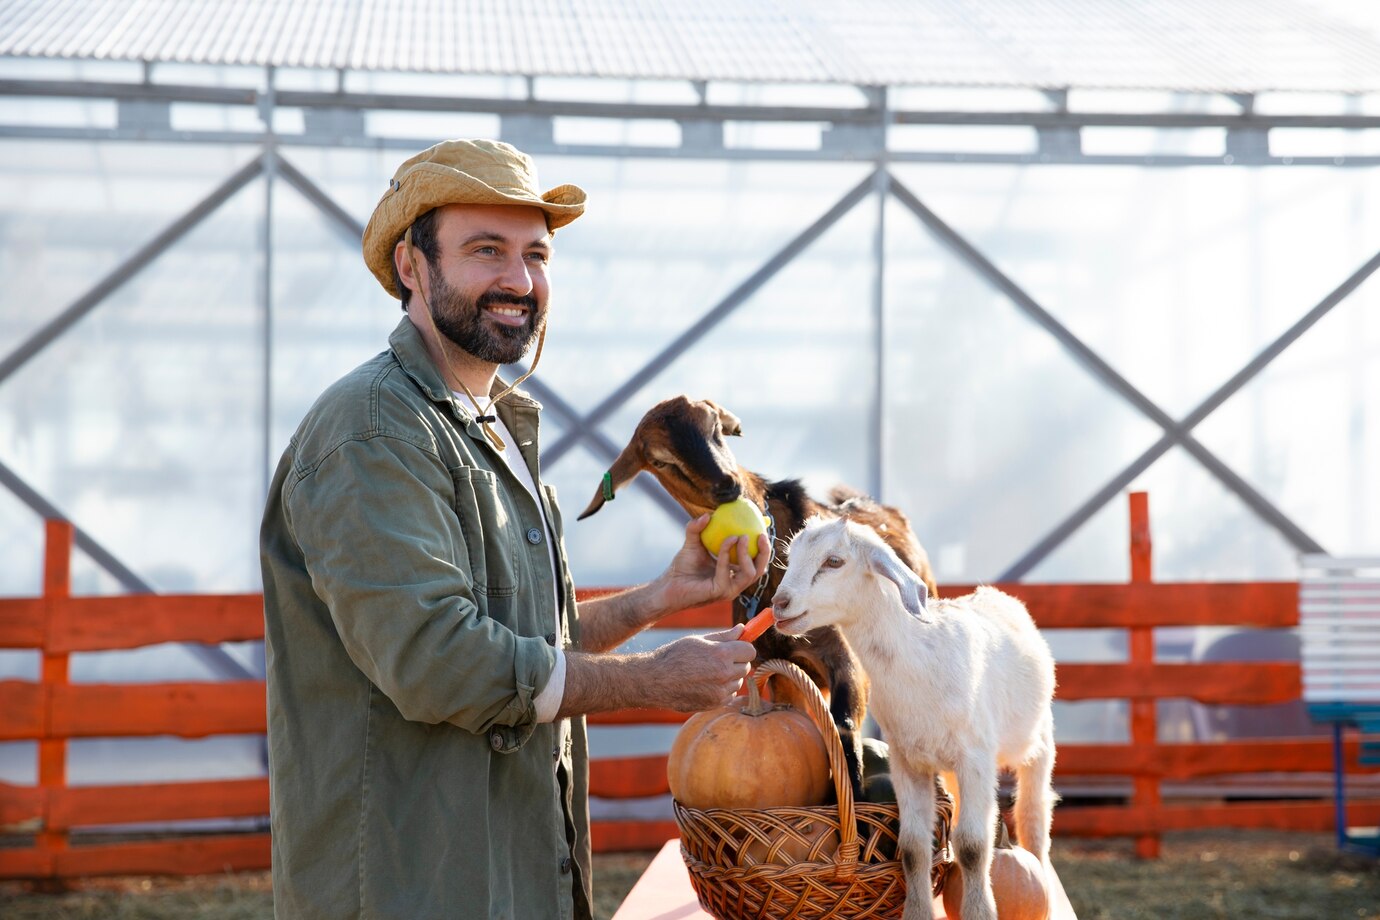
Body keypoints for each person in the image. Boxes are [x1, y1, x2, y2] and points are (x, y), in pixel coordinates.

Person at [259, 139, 768, 920]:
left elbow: (520, 641)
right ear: (411, 266)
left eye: (536, 254)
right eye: (485, 250)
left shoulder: (489, 425)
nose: (519, 280)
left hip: (509, 875)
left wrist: (658, 598)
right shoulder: (373, 430)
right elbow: (439, 660)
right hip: (411, 887)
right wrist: (651, 680)